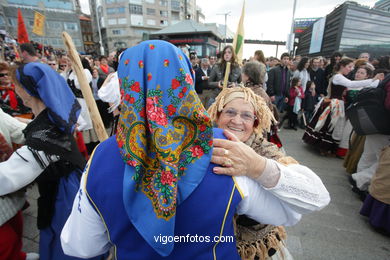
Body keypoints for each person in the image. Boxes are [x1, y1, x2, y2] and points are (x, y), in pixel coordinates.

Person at [60, 40, 330, 259]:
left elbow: (79, 247)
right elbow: (291, 213)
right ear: (186, 79)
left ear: (126, 84)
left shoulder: (100, 159)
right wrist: (259, 168)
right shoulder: (225, 149)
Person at [207, 86, 329, 259]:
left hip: (252, 250)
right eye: (230, 112)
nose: (236, 120)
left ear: (255, 123)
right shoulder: (202, 143)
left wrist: (257, 166)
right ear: (218, 115)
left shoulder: (266, 151)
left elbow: (319, 197)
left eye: (246, 115)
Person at [0, 62, 104, 260]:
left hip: (63, 193)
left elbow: (9, 177)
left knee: (67, 243)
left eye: (17, 85)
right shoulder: (52, 117)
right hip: (64, 185)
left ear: (28, 91)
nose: (15, 89)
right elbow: (32, 131)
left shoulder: (47, 135)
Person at [303, 58, 382, 156]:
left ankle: (322, 147)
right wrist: (373, 79)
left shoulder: (341, 77)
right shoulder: (338, 77)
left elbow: (353, 85)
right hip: (334, 104)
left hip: (336, 103)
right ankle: (321, 147)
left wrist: (376, 81)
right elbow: (351, 84)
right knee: (329, 125)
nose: (351, 69)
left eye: (352, 67)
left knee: (331, 125)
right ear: (342, 66)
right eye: (349, 67)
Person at [0, 108, 40, 260]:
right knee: (5, 244)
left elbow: (20, 130)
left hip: (8, 193)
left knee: (17, 227)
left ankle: (19, 256)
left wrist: (49, 130)